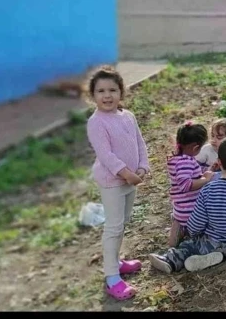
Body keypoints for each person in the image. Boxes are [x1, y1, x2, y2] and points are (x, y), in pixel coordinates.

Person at [149, 136, 226, 273]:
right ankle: (219, 257)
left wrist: (192, 233)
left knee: (188, 245)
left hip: (212, 242)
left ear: (219, 162)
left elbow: (196, 223)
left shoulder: (209, 189)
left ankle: (172, 260)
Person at [86, 66, 149, 301]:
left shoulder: (128, 116)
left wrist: (143, 167)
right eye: (101, 91)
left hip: (131, 178)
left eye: (113, 89)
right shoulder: (96, 122)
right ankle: (112, 276)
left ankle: (117, 261)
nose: (107, 95)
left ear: (121, 92)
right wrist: (126, 173)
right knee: (113, 227)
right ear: (93, 95)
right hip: (113, 182)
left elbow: (140, 143)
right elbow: (106, 155)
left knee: (123, 222)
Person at [167, 121, 215, 247]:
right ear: (195, 147)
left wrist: (208, 170)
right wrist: (206, 180)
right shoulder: (186, 162)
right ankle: (191, 240)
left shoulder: (176, 159)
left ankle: (178, 230)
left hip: (180, 208)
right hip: (191, 210)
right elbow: (186, 185)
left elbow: (190, 175)